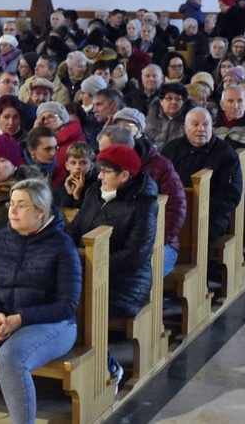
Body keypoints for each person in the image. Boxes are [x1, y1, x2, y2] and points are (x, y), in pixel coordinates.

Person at [0, 178, 81, 424]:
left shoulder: (62, 246)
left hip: (53, 323)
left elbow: (67, 305)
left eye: (22, 205)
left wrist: (21, 319)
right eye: (11, 203)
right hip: (3, 317)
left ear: (41, 212)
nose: (12, 209)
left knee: (10, 357)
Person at [65, 145, 158, 385]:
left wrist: (88, 266)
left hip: (127, 282)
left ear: (124, 175)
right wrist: (57, 249)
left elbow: (134, 256)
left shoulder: (145, 204)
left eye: (105, 171)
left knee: (75, 304)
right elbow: (76, 227)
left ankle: (106, 368)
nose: (99, 176)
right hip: (88, 271)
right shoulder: (95, 192)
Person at [102, 113, 187, 277]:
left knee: (136, 273)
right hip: (119, 242)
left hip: (160, 242)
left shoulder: (161, 166)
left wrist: (151, 240)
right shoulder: (104, 170)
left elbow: (176, 208)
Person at [162, 108, 243, 244]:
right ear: (185, 127)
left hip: (211, 215)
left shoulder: (226, 154)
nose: (201, 129)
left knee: (200, 234)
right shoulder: (172, 148)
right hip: (173, 212)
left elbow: (231, 195)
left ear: (212, 127)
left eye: (205, 124)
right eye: (195, 124)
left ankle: (204, 265)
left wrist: (198, 211)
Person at [34, 101, 85, 186]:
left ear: (62, 118)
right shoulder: (40, 139)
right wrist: (35, 130)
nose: (46, 121)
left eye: (50, 117)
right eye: (42, 118)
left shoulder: (75, 137)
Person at [144, 83, 194, 148]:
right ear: (161, 101)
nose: (173, 102)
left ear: (183, 102)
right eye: (169, 98)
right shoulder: (149, 120)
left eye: (178, 99)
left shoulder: (190, 121)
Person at [52, 142, 98, 209]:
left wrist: (77, 198)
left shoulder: (98, 187)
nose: (77, 167)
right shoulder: (59, 189)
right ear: (67, 165)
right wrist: (69, 195)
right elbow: (62, 216)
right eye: (73, 163)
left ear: (91, 166)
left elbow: (89, 216)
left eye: (83, 163)